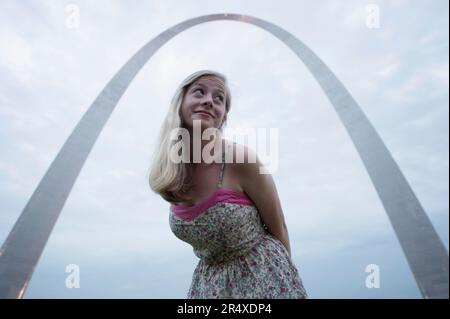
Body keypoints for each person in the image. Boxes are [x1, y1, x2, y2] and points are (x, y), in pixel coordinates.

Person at [149, 70, 307, 298]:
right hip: (210, 288)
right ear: (180, 103)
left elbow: (279, 228)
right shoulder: (173, 172)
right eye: (199, 92)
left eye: (218, 98)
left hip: (264, 283)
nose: (208, 101)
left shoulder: (242, 160)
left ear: (223, 117)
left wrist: (285, 284)